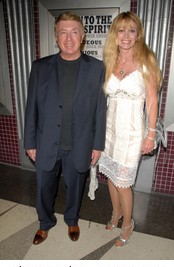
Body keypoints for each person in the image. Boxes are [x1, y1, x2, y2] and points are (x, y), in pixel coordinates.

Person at [24, 12, 106, 245]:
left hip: (80, 143)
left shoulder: (97, 68)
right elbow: (31, 107)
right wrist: (30, 142)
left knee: (75, 187)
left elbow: (100, 109)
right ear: (56, 36)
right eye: (63, 32)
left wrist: (97, 145)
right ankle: (45, 223)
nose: (68, 38)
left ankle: (72, 219)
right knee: (43, 187)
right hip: (46, 141)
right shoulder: (40, 67)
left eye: (74, 32)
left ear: (82, 36)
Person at [98, 11, 162, 247]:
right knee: (112, 179)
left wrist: (151, 134)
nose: (126, 35)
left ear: (138, 35)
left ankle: (128, 223)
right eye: (121, 30)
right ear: (115, 34)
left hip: (133, 132)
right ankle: (116, 214)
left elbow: (153, 102)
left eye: (131, 30)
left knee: (124, 183)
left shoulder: (146, 62)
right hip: (109, 131)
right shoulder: (110, 61)